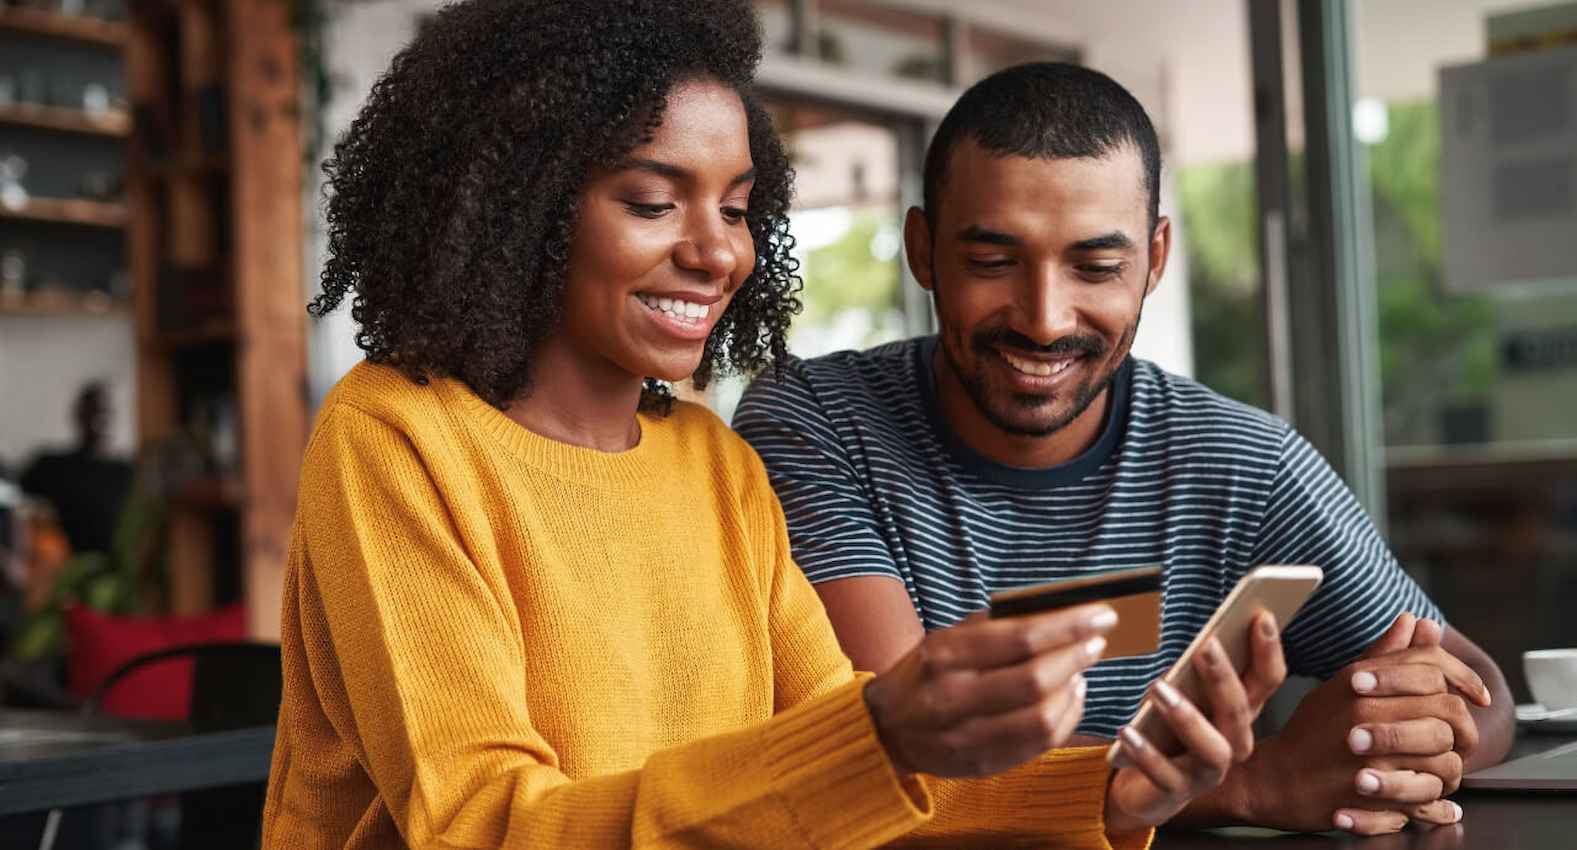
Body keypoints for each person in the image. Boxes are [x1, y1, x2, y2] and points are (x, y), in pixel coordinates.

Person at [259, 2, 1289, 848]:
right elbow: (478, 826)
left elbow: (839, 777)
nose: (716, 253)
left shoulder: (711, 462)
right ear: (521, 208)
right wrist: (878, 735)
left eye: (739, 207)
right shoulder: (397, 438)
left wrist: (1107, 792)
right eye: (654, 203)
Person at [733, 62, 1515, 837]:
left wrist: (1387, 741)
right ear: (923, 250)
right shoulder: (815, 422)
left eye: (1096, 266)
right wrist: (1255, 782)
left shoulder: (1239, 462)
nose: (1043, 319)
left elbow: (1481, 693)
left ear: (1155, 259)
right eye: (992, 261)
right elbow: (901, 753)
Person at [18, 382, 134, 557]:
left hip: (119, 567)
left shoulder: (128, 472)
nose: (98, 421)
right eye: (91, 412)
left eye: (104, 413)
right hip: (68, 567)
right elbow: (11, 493)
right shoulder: (54, 467)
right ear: (78, 416)